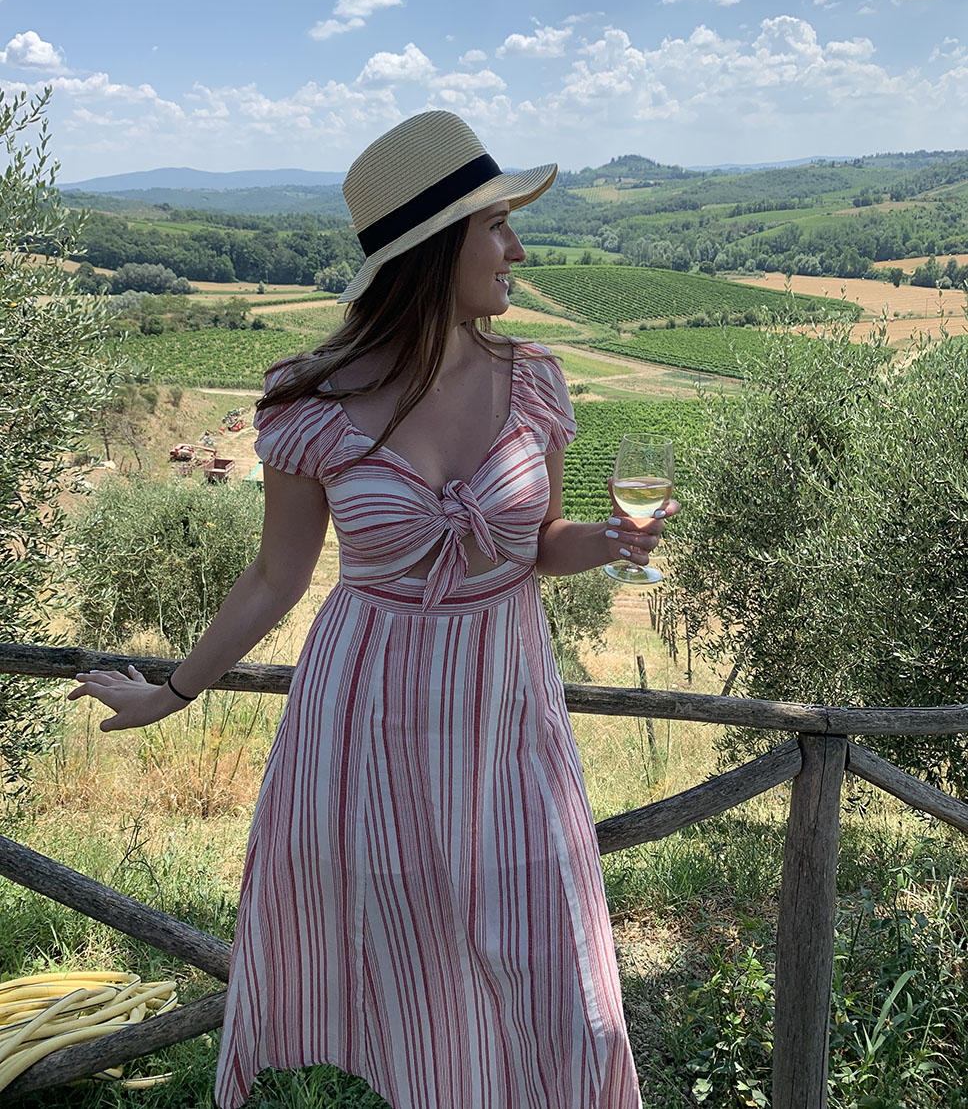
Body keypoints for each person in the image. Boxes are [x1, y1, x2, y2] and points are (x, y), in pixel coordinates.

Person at [70, 111, 679, 1109]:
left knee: (572, 997)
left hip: (504, 717)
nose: (517, 250)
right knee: (410, 979)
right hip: (364, 723)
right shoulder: (308, 401)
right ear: (433, 251)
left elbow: (540, 546)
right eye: (496, 227)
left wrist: (611, 542)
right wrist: (172, 693)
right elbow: (275, 579)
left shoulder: (532, 381)